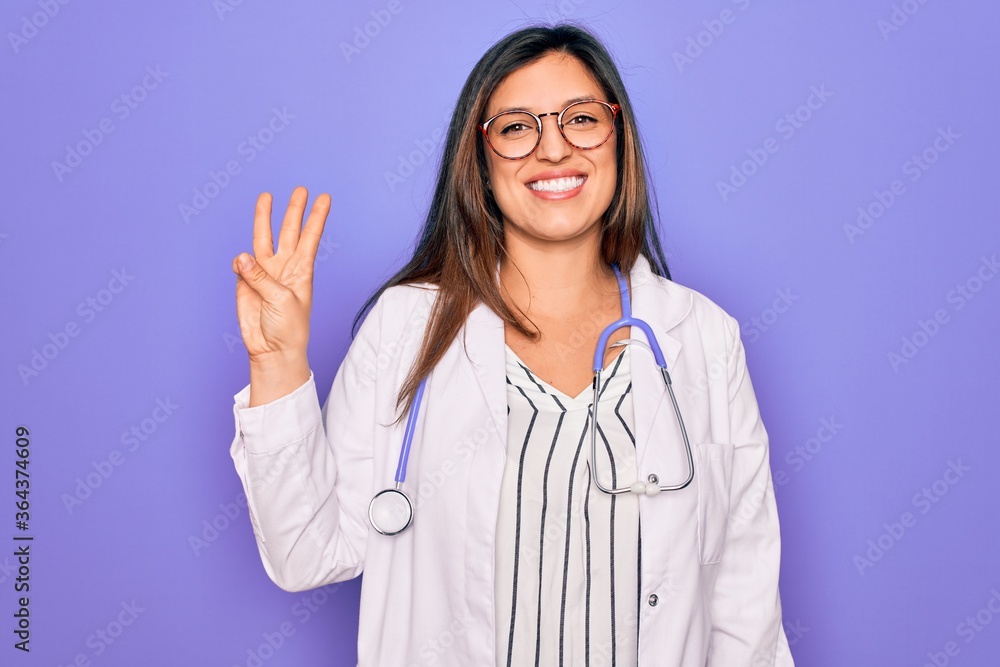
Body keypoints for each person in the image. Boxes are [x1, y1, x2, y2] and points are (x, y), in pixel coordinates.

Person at [228, 23, 794, 667]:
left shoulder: (703, 337)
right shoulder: (407, 328)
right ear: (480, 157)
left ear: (619, 140)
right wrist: (276, 364)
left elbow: (746, 604)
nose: (553, 149)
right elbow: (307, 553)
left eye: (581, 119)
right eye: (517, 126)